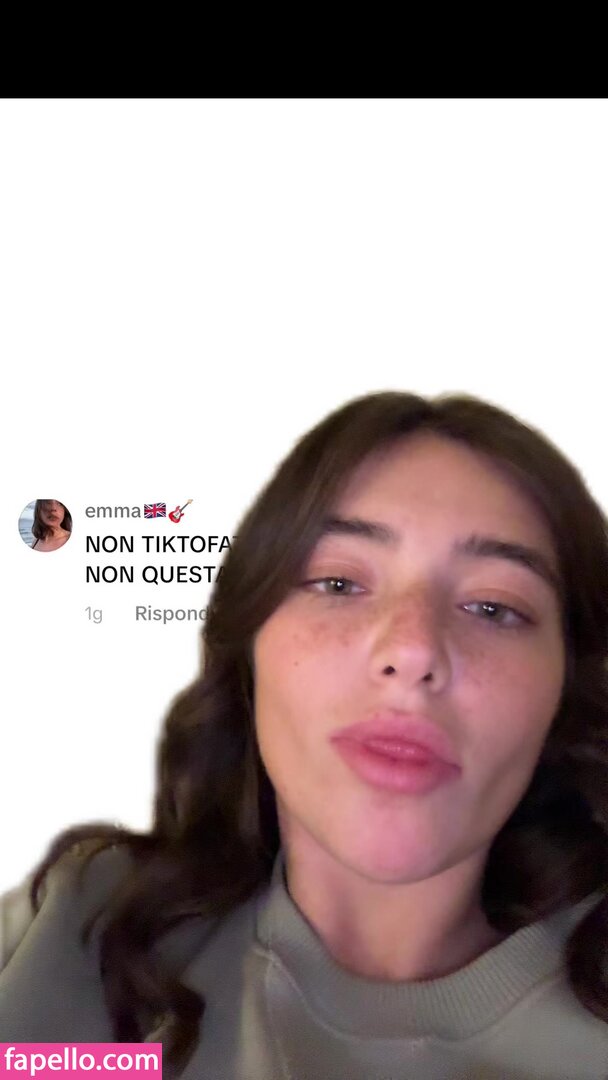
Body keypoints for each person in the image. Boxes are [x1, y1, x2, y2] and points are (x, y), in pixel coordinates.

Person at [2, 390, 608, 1080]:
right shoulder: (85, 930)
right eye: (338, 584)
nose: (412, 651)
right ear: (249, 650)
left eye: (493, 607)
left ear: (566, 693)